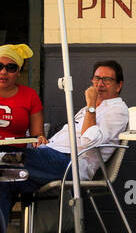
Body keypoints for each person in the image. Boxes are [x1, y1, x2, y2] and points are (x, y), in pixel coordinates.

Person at [0, 59, 128, 223]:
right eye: (97, 78)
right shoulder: (88, 110)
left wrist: (91, 105)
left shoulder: (117, 110)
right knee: (4, 180)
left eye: (107, 80)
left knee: (8, 158)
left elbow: (89, 141)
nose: (100, 84)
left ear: (118, 85)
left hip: (69, 164)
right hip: (48, 157)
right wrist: (43, 142)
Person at [0, 44, 45, 144]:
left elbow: (37, 136)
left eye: (11, 67)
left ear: (18, 72)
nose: (3, 72)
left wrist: (40, 139)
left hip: (15, 156)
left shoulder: (30, 95)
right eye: (0, 66)